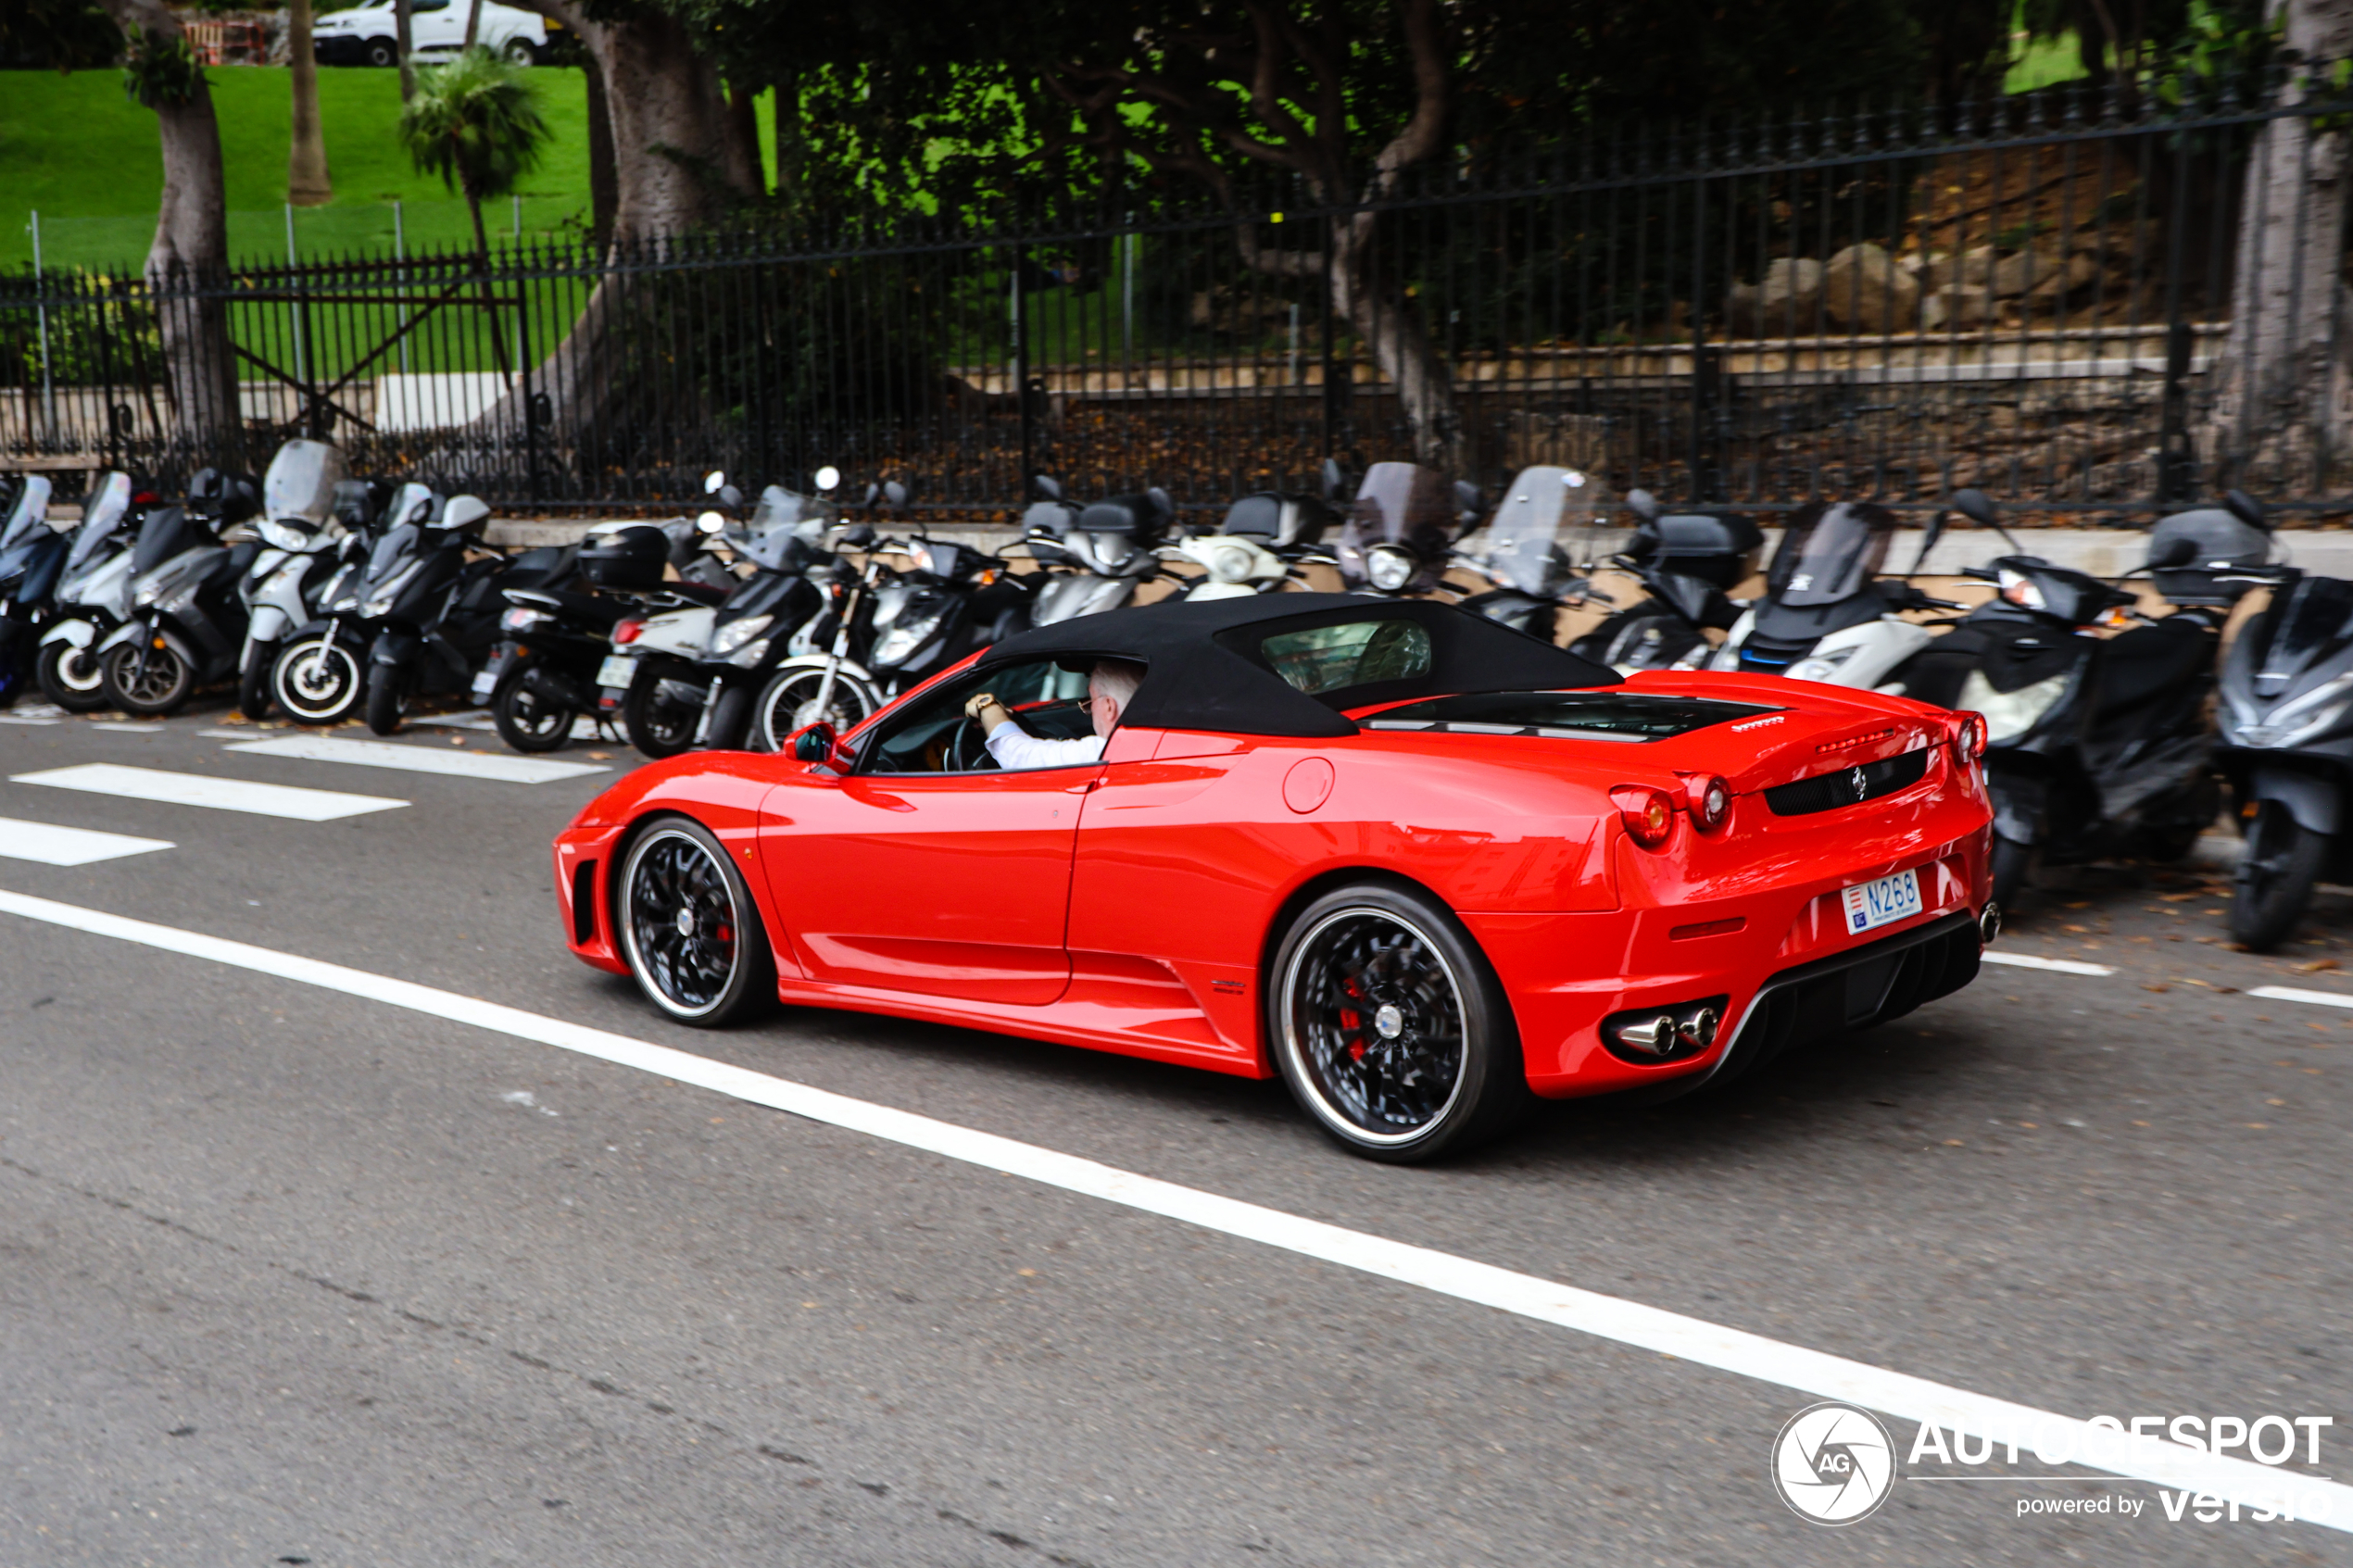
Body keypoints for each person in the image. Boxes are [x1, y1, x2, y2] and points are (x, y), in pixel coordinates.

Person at [964, 659, 1145, 769]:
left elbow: (1019, 756)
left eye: (1091, 701)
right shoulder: (1157, 736)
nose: (1089, 712)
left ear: (1108, 707)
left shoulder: (1105, 751)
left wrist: (987, 706)